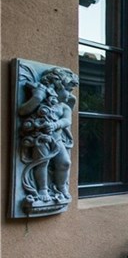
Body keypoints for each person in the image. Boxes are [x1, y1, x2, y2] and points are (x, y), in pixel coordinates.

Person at [17, 66, 78, 209]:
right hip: (40, 138)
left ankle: (61, 187)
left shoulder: (64, 107)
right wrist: (37, 97)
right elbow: (22, 111)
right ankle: (43, 189)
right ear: (55, 87)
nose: (69, 95)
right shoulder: (41, 102)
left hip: (56, 139)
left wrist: (56, 124)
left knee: (65, 162)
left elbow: (67, 121)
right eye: (68, 90)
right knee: (41, 163)